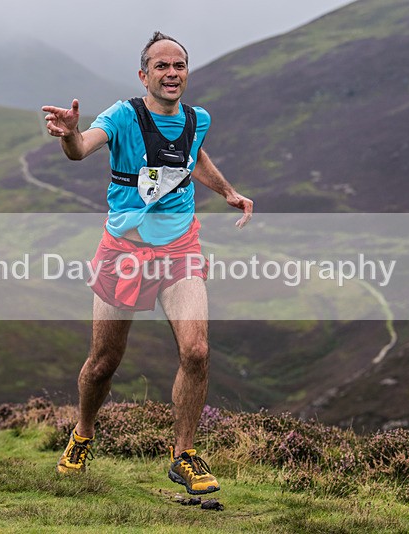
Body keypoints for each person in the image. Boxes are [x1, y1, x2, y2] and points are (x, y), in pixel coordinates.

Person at [42, 31, 253, 495]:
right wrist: (72, 133)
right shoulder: (122, 116)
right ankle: (83, 434)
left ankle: (184, 455)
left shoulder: (198, 119)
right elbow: (80, 150)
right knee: (103, 363)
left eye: (178, 65)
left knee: (196, 351)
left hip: (180, 250)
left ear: (187, 73)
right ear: (144, 75)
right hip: (124, 253)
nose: (172, 73)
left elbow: (192, 156)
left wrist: (227, 191)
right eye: (161, 66)